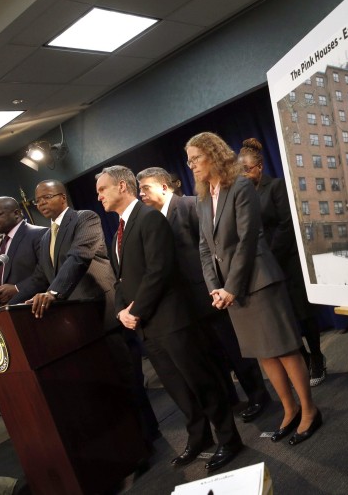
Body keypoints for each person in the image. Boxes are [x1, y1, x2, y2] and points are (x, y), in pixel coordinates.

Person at [96, 165, 242, 472]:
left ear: (123, 187)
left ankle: (229, 439)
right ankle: (199, 438)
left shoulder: (149, 219)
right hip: (148, 328)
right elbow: (120, 280)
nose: (98, 197)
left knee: (201, 380)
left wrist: (134, 311)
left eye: (102, 189)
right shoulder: (117, 233)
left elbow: (159, 270)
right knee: (178, 388)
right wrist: (122, 310)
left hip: (173, 320)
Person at [187, 132, 321, 445]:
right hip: (231, 291)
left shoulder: (242, 186)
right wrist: (215, 288)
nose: (191, 165)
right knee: (263, 354)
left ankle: (310, 411)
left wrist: (231, 287)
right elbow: (205, 249)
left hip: (258, 281)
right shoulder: (205, 196)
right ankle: (289, 411)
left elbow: (248, 240)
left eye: (195, 158)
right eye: (188, 161)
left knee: (284, 349)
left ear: (214, 154)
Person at [8, 179, 160, 449]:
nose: (40, 203)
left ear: (63, 197)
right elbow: (39, 277)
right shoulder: (45, 238)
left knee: (129, 380)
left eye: (46, 197)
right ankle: (129, 440)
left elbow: (78, 258)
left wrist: (53, 294)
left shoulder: (84, 219)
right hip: (78, 326)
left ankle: (149, 436)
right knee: (108, 386)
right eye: (37, 200)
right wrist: (11, 302)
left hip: (104, 313)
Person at [137, 167, 273, 422]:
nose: (141, 193)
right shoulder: (153, 219)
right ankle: (232, 399)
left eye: (145, 187)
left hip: (210, 293)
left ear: (164, 187)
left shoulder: (190, 205)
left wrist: (218, 286)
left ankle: (258, 396)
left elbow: (212, 248)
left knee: (234, 348)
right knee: (211, 355)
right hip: (184, 305)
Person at [238, 138, 328, 386]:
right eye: (240, 171)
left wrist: (271, 255)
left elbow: (287, 224)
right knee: (285, 319)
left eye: (247, 169)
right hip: (265, 267)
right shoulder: (242, 196)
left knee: (302, 313)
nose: (243, 175)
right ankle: (304, 359)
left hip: (286, 260)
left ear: (259, 167)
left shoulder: (275, 187)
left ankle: (318, 358)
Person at [0, 196, 46, 307]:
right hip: (7, 312)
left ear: (16, 213)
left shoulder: (39, 234)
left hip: (33, 308)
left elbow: (46, 272)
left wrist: (17, 288)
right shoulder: (0, 246)